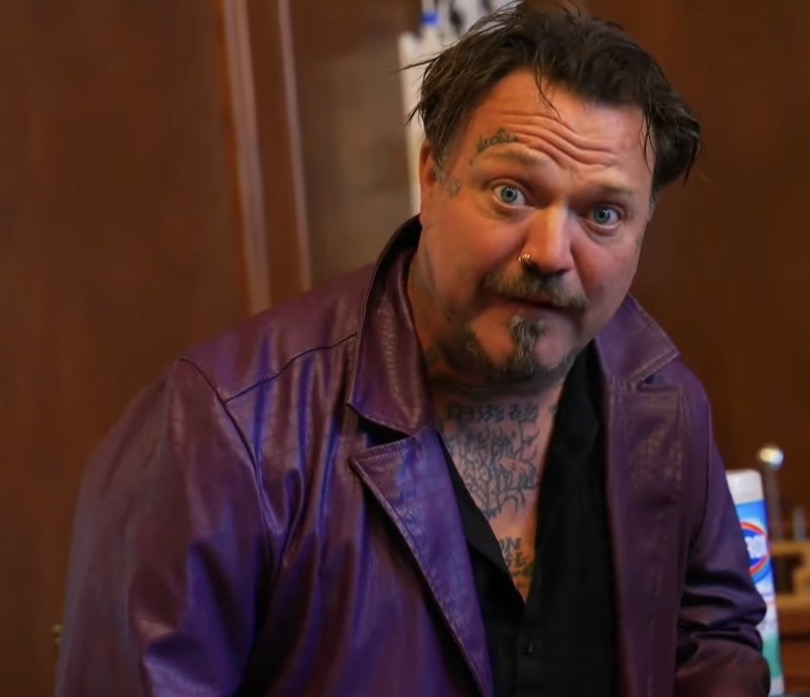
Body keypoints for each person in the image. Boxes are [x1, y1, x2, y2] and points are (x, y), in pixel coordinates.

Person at [55, 2, 770, 696]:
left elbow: (715, 642)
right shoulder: (225, 428)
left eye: (604, 213)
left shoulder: (663, 403)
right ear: (432, 179)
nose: (552, 252)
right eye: (512, 193)